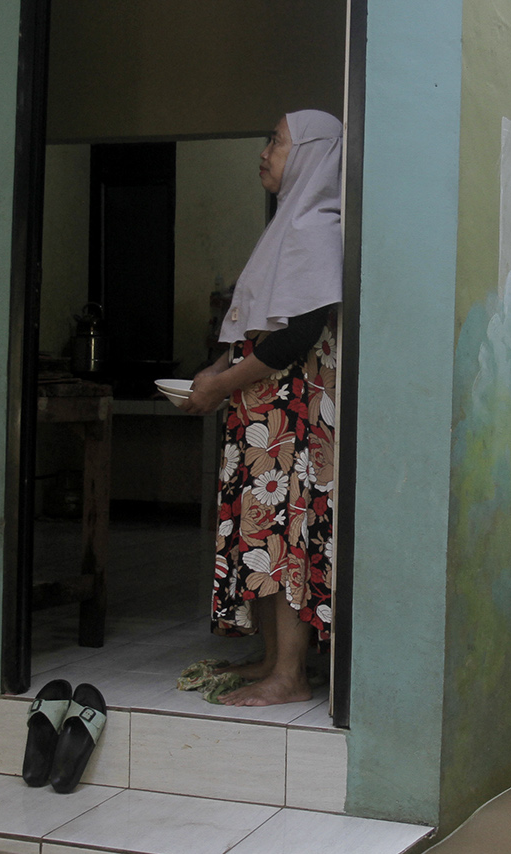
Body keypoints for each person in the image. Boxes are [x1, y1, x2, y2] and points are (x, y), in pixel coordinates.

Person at [180, 110, 343, 706]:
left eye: (276, 139)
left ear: (310, 153)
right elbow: (257, 328)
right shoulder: (288, 226)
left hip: (290, 418)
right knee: (268, 532)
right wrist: (217, 371)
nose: (265, 150)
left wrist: (222, 385)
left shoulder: (314, 228)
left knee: (288, 533)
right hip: (266, 414)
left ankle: (291, 675)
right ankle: (276, 659)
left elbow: (294, 339)